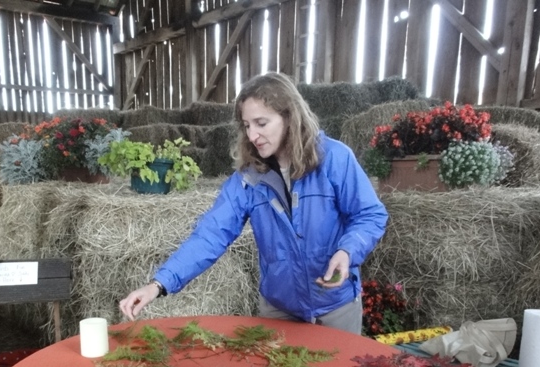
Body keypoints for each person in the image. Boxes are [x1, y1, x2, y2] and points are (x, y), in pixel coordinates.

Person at [119, 72, 388, 333]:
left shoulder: (335, 159)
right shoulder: (248, 179)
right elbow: (211, 234)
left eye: (261, 123)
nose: (252, 135)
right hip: (279, 311)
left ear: (289, 117)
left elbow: (370, 215)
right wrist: (158, 284)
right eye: (247, 126)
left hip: (336, 308)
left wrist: (347, 251)